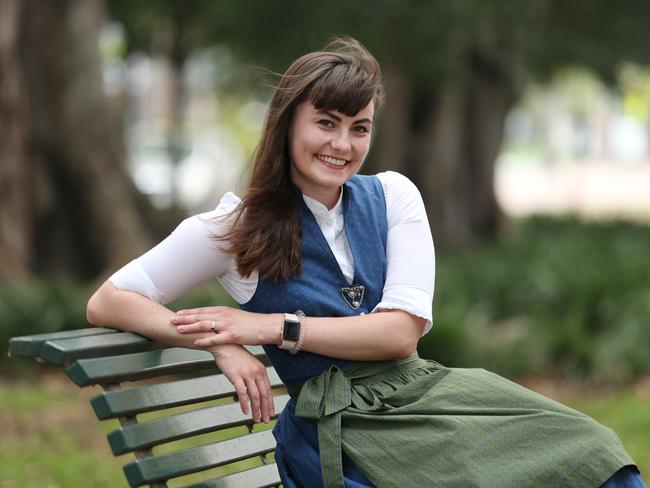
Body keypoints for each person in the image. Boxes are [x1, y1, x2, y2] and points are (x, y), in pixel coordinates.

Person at [87, 37, 645, 488]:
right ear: (288, 125)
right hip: (335, 429)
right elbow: (110, 299)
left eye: (360, 128)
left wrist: (267, 328)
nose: (343, 145)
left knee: (596, 455)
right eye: (326, 123)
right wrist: (220, 343)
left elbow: (399, 334)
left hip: (423, 397)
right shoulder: (234, 228)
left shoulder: (394, 197)